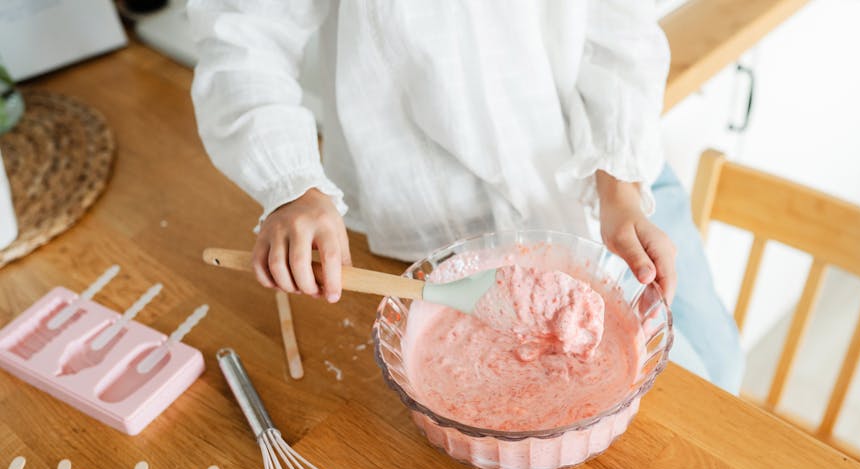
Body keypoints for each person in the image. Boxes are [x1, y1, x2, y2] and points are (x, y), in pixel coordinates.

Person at [188, 0, 744, 392]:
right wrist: (293, 188)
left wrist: (619, 188)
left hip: (604, 172)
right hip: (434, 210)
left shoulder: (618, 178)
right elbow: (242, 34)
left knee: (722, 367)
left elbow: (617, 24)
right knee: (689, 409)